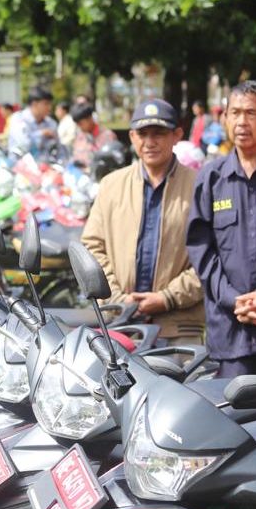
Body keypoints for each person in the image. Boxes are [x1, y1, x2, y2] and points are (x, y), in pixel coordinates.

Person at [187, 81, 256, 377]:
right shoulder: (210, 178)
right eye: (234, 113)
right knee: (231, 419)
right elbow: (201, 250)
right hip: (231, 332)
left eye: (250, 113)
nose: (241, 122)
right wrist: (233, 300)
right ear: (224, 117)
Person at [82, 98, 204, 344]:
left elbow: (212, 258)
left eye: (159, 133)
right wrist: (117, 298)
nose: (150, 142)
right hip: (118, 324)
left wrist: (167, 297)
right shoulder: (111, 185)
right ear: (131, 137)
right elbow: (91, 247)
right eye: (142, 134)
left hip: (177, 327)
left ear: (176, 135)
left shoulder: (201, 186)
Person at [8, 86, 58, 160]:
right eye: (46, 104)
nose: (49, 107)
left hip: (45, 168)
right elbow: (24, 145)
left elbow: (57, 148)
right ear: (34, 104)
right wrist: (41, 133)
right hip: (18, 168)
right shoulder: (18, 119)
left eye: (50, 104)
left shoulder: (51, 123)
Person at [68, 101, 117, 168]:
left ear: (90, 118)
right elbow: (75, 156)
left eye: (80, 123)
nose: (79, 127)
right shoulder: (80, 136)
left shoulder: (107, 136)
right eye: (77, 124)